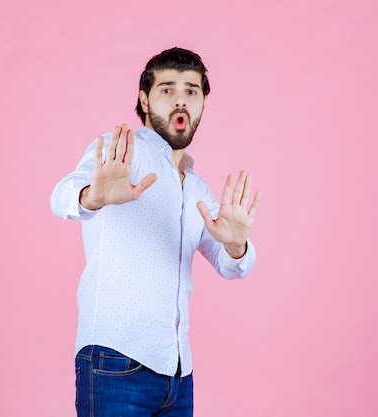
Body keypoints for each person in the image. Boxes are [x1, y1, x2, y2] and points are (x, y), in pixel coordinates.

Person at [50, 47, 261, 417]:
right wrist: (93, 196)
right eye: (167, 89)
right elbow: (62, 196)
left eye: (191, 91)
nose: (181, 98)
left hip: (177, 373)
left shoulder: (197, 189)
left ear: (201, 105)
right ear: (144, 100)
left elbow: (233, 267)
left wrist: (236, 243)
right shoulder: (123, 153)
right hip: (115, 360)